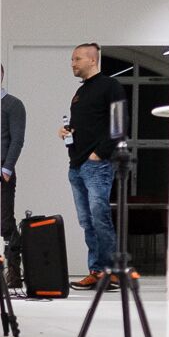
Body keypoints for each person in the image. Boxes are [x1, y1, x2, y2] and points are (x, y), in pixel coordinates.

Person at [57, 41, 120, 287]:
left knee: (99, 215)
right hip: (77, 165)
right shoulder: (81, 92)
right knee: (87, 220)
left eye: (77, 59)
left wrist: (100, 153)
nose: (73, 64)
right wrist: (67, 131)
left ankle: (110, 271)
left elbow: (118, 123)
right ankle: (96, 270)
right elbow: (87, 126)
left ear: (92, 60)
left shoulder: (110, 86)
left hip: (97, 164)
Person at [0, 67, 28, 289]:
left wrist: (7, 168)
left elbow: (17, 139)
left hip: (3, 173)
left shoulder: (12, 104)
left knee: (6, 222)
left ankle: (14, 271)